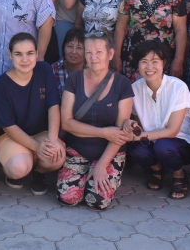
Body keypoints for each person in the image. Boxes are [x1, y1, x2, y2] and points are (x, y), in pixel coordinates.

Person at [57, 32, 133, 210]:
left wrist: (101, 165)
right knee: (68, 198)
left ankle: (100, 173)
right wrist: (103, 132)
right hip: (78, 147)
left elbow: (121, 132)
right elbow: (66, 122)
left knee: (97, 201)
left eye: (99, 52)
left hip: (109, 152)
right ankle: (84, 176)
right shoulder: (74, 79)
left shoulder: (122, 84)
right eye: (89, 52)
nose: (93, 57)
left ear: (110, 54)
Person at [0, 33, 65, 195]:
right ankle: (17, 169)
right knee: (18, 168)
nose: (24, 59)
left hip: (41, 133)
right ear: (10, 55)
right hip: (12, 137)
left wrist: (52, 141)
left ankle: (37, 172)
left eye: (30, 53)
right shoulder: (2, 83)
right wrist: (36, 147)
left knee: (57, 156)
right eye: (18, 54)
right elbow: (8, 126)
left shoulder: (44, 70)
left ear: (37, 53)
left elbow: (53, 107)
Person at [127, 41, 190, 200]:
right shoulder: (134, 89)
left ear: (164, 63)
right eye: (144, 61)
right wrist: (133, 128)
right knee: (138, 151)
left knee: (163, 147)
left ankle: (179, 174)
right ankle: (156, 169)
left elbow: (172, 131)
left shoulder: (178, 87)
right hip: (151, 140)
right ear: (138, 65)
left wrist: (136, 137)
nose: (149, 67)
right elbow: (139, 125)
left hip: (180, 143)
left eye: (155, 61)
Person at [51, 27, 86, 97]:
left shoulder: (91, 70)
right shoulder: (54, 69)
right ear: (64, 47)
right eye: (70, 46)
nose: (73, 52)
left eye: (79, 48)